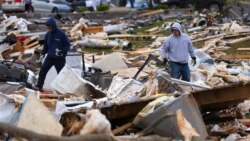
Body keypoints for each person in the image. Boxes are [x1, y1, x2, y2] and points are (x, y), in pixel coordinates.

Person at [35, 18, 71, 91]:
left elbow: (67, 45)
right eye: (47, 28)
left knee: (61, 74)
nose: (48, 29)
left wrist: (62, 51)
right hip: (50, 57)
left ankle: (62, 89)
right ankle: (39, 86)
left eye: (49, 28)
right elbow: (46, 46)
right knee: (43, 70)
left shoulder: (61, 34)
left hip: (59, 58)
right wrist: (42, 53)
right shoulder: (48, 34)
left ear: (53, 26)